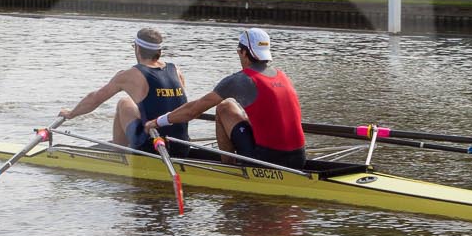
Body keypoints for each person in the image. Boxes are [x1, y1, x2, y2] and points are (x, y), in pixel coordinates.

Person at [144, 27, 306, 170]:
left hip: (268, 161)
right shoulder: (283, 76)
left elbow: (192, 111)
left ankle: (228, 169)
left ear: (243, 52)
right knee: (228, 106)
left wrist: (157, 122)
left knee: (222, 108)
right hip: (299, 158)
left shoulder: (241, 80)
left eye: (239, 52)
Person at [59, 27, 189, 152]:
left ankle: (119, 152)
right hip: (182, 145)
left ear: (137, 49)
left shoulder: (130, 75)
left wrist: (71, 113)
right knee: (135, 103)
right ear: (159, 52)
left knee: (123, 103)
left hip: (152, 148)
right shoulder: (176, 71)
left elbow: (95, 99)